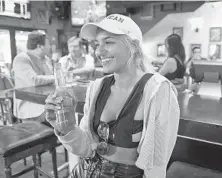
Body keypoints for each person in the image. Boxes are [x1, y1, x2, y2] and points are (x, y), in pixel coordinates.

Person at [45, 14, 180, 178]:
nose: (99, 51)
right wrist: (68, 128)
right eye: (97, 44)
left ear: (134, 46)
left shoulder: (157, 90)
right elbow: (86, 148)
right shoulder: (97, 87)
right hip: (86, 171)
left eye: (108, 42)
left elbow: (156, 164)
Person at [12, 30, 54, 122]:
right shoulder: (21, 59)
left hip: (46, 102)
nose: (50, 47)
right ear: (40, 46)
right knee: (63, 115)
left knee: (68, 111)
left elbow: (50, 80)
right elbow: (33, 80)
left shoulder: (46, 60)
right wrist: (55, 78)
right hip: (30, 106)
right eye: (48, 44)